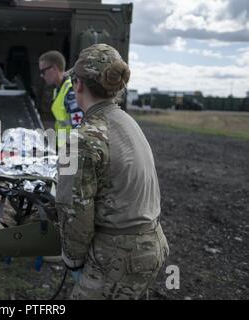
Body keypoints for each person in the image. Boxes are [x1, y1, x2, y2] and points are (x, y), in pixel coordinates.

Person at [56, 44, 169, 300]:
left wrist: (73, 261)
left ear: (78, 85)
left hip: (119, 254)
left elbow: (73, 210)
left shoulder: (82, 139)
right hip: (151, 244)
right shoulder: (127, 121)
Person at [39, 50, 83, 145]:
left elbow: (79, 128)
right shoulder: (58, 89)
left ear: (54, 68)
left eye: (43, 71)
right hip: (63, 148)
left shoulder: (70, 92)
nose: (41, 75)